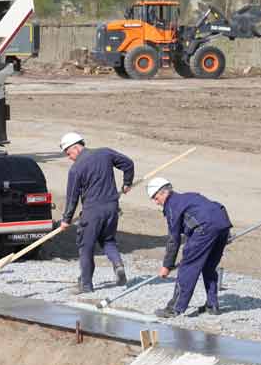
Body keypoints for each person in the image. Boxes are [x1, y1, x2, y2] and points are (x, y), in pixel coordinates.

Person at [59, 132, 134, 293]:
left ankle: (86, 285)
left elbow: (72, 197)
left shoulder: (76, 169)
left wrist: (66, 219)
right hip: (112, 207)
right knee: (108, 240)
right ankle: (118, 265)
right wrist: (127, 183)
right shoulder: (105, 153)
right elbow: (128, 163)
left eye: (68, 153)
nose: (69, 157)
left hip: (92, 212)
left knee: (86, 247)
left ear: (76, 147)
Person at [147, 177, 232, 318]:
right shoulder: (190, 196)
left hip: (205, 230)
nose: (156, 202)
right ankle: (213, 305)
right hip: (222, 224)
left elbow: (174, 239)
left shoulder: (171, 206)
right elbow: (217, 206)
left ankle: (175, 308)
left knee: (187, 267)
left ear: (164, 193)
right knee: (209, 267)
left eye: (155, 198)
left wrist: (167, 266)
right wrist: (223, 233)